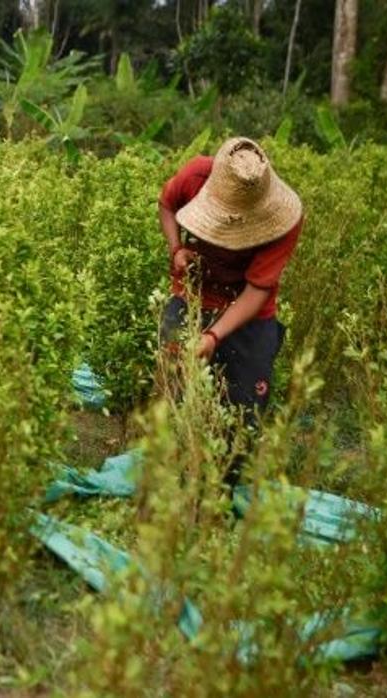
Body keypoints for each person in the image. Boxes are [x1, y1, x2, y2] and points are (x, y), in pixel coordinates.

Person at [157, 137, 303, 484]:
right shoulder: (195, 176)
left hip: (249, 312)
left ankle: (222, 485)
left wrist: (212, 335)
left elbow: (257, 291)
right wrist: (176, 249)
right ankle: (174, 474)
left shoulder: (285, 217)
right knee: (175, 388)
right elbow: (166, 204)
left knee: (243, 409)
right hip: (193, 295)